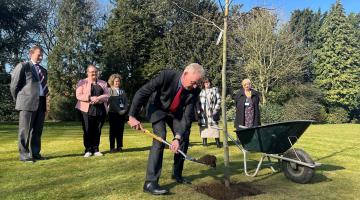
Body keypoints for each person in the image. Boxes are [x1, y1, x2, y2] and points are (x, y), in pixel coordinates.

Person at [128, 63, 204, 195]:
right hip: (157, 108)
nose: (195, 85)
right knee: (160, 137)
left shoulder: (195, 90)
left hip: (176, 113)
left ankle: (177, 174)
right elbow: (143, 91)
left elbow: (187, 116)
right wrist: (131, 116)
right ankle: (150, 182)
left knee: (184, 138)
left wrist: (177, 137)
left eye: (197, 83)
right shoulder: (167, 76)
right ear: (185, 74)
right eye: (193, 82)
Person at [10, 45, 48, 163]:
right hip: (26, 103)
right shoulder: (23, 66)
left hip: (41, 102)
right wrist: (19, 100)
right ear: (31, 54)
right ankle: (25, 156)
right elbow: (14, 86)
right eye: (39, 55)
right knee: (25, 131)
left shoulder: (44, 70)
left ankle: (35, 153)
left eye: (42, 55)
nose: (41, 57)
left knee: (37, 131)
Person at [75, 65, 109, 157]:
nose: (94, 73)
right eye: (91, 72)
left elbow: (107, 95)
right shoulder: (82, 82)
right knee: (87, 130)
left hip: (100, 110)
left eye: (95, 72)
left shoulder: (103, 83)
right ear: (87, 73)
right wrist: (90, 98)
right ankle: (88, 150)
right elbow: (78, 95)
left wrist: (99, 98)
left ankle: (96, 149)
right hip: (86, 110)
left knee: (97, 130)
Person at [197, 78, 221, 148]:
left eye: (208, 82)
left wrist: (216, 109)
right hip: (203, 112)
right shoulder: (201, 91)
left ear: (210, 83)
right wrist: (198, 109)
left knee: (215, 127)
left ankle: (217, 142)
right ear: (203, 84)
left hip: (212, 111)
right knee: (204, 127)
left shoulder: (214, 90)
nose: (207, 84)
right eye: (205, 83)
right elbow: (197, 101)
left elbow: (219, 100)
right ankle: (204, 142)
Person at [107, 74, 128, 153]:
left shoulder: (122, 91)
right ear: (112, 82)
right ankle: (112, 148)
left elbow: (126, 101)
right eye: (116, 81)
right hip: (113, 113)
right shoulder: (109, 90)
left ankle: (119, 146)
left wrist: (125, 110)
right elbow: (111, 102)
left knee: (120, 130)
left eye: (118, 81)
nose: (117, 83)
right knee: (113, 131)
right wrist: (119, 111)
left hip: (122, 114)